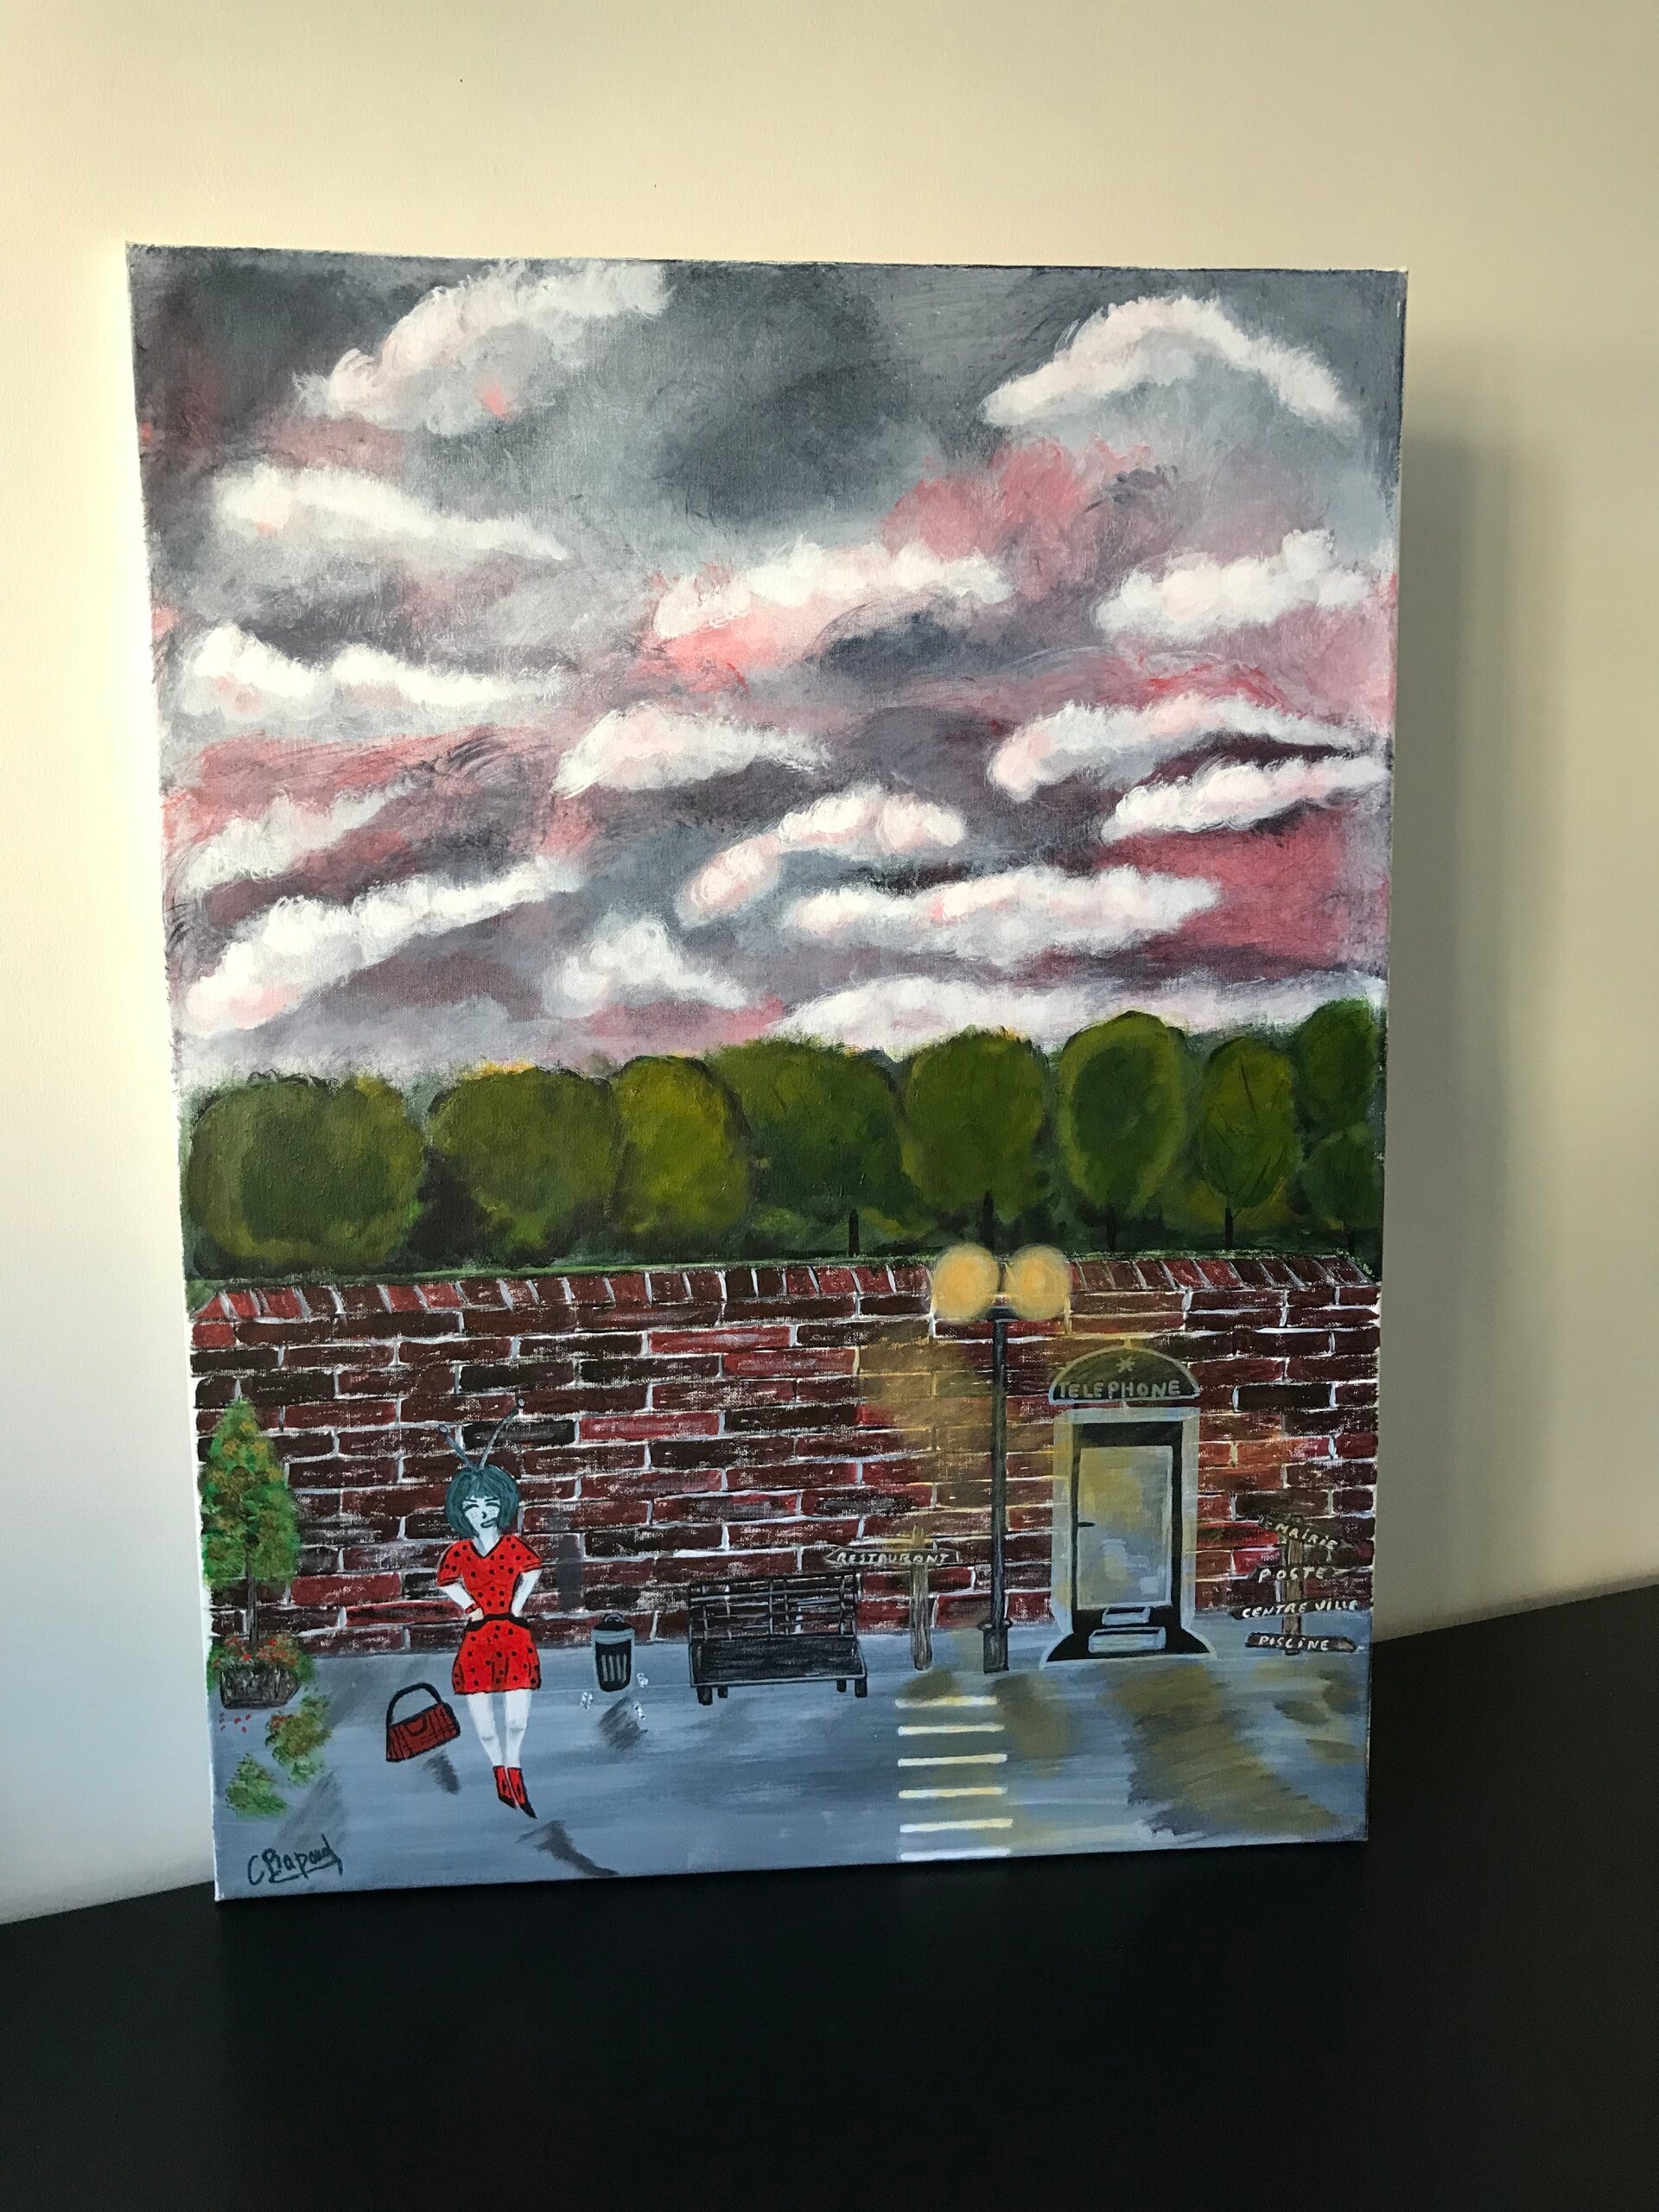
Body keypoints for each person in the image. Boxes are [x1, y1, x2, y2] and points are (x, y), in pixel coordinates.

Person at [435, 1460, 543, 1815]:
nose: (482, 1514)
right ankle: (499, 1771)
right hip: (478, 1641)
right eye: (472, 1507)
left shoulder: (513, 1546)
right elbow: (447, 1581)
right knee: (484, 1727)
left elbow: (532, 1570)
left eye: (490, 1504)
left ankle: (514, 1768)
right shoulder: (459, 1552)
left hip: (513, 1636)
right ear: (461, 1512)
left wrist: (517, 1604)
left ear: (503, 1505)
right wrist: (470, 1607)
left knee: (516, 1720)